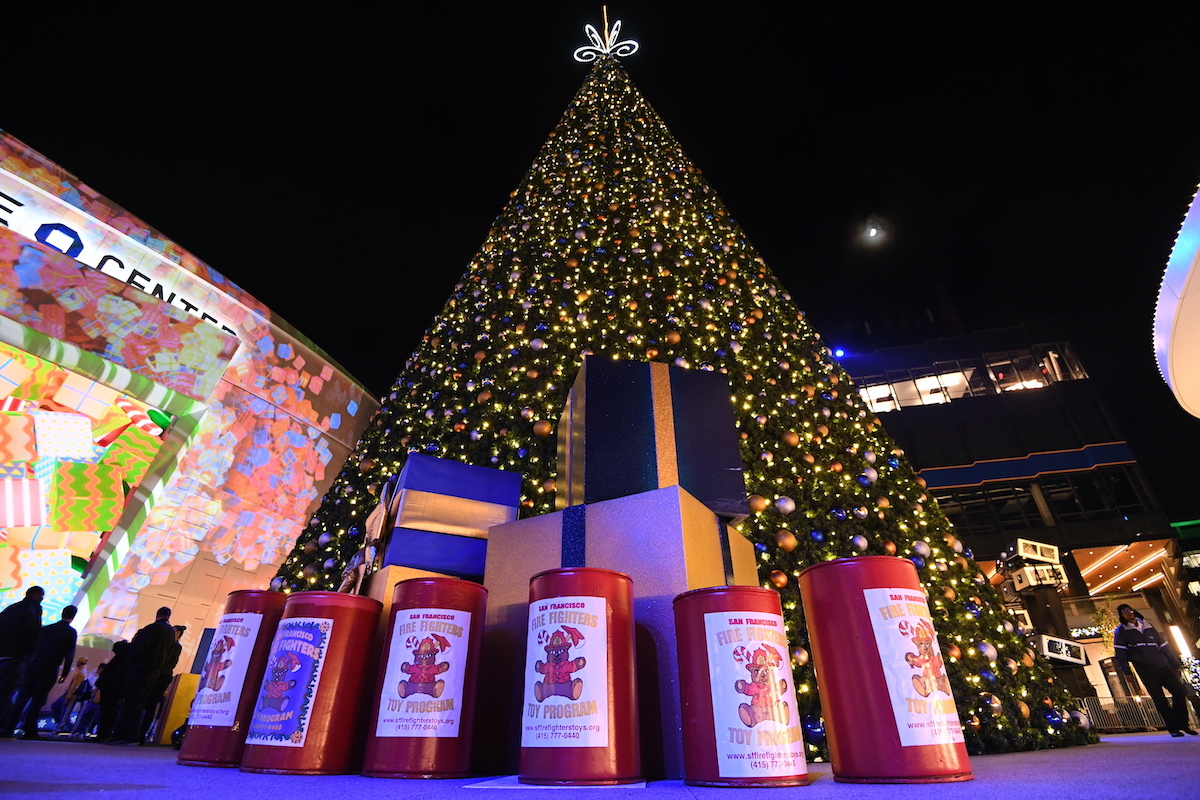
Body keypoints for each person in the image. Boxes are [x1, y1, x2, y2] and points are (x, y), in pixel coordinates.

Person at [1114, 603, 1196, 737]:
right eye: (1125, 611)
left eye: (1130, 609)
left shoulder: (1148, 626)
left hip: (1162, 666)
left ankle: (1184, 724)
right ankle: (1173, 728)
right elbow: (1121, 653)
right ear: (1121, 615)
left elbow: (1164, 647)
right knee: (1159, 699)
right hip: (1145, 669)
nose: (1129, 612)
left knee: (1179, 692)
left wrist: (1175, 665)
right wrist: (1126, 671)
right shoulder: (1121, 631)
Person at [1, 604, 78, 739]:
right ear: (73, 617)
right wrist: (65, 673)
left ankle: (8, 727)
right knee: (38, 699)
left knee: (22, 697)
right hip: (48, 666)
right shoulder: (70, 632)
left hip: (32, 664)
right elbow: (69, 653)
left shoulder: (46, 629)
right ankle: (29, 730)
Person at [110, 606, 174, 745]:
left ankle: (130, 737)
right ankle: (134, 736)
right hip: (155, 672)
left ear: (157, 614)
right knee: (140, 704)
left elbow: (138, 647)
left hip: (141, 669)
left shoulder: (152, 628)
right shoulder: (170, 633)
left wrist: (130, 661)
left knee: (132, 703)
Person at [0, 586, 44, 730]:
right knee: (7, 691)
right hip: (16, 655)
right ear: (36, 595)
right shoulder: (33, 608)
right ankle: (3, 727)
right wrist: (33, 653)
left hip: (2, 654)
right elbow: (32, 631)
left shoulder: (11, 608)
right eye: (41, 595)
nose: (42, 598)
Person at [139, 625, 184, 743]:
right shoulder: (167, 644)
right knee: (145, 702)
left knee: (151, 704)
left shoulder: (175, 647)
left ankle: (142, 733)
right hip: (157, 673)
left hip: (162, 675)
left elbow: (169, 662)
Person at [96, 641, 130, 741]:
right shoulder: (125, 657)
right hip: (114, 686)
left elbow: (118, 647)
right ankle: (104, 733)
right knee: (109, 710)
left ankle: (105, 733)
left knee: (109, 711)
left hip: (112, 686)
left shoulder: (121, 658)